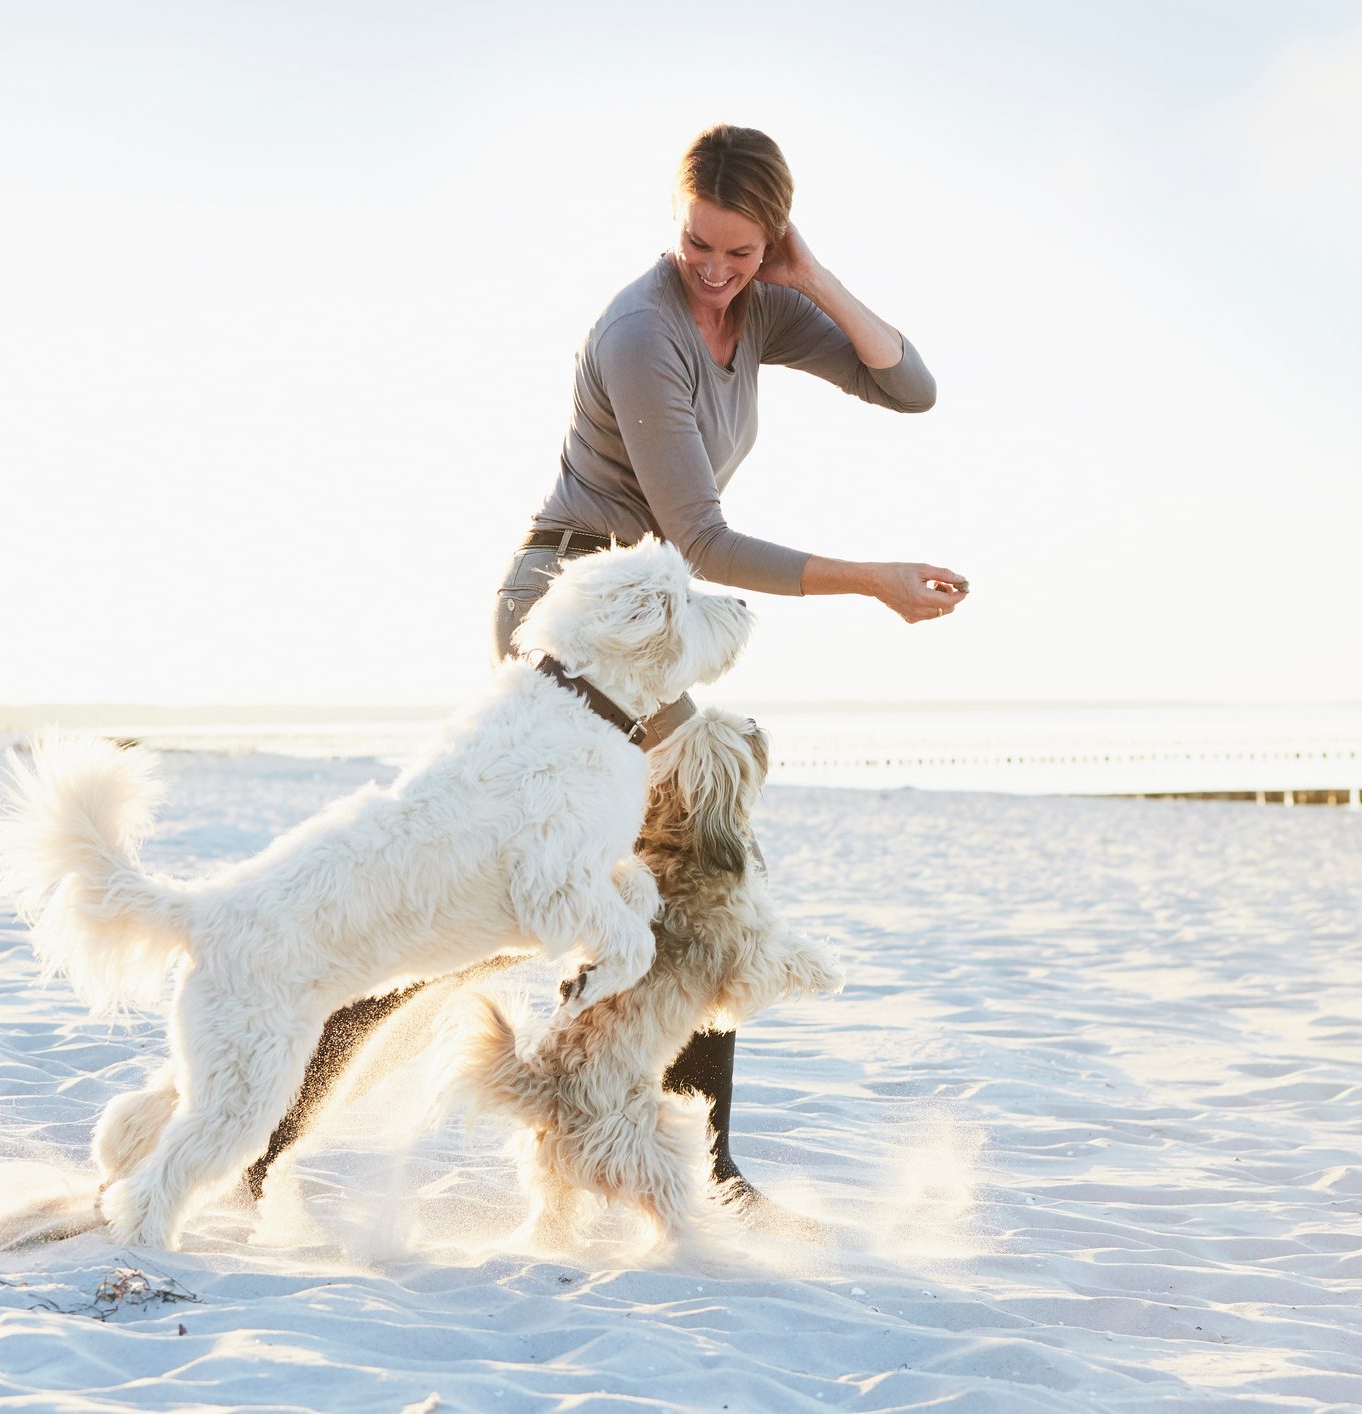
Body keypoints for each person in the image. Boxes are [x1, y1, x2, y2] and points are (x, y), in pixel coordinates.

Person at [242, 123, 966, 1209]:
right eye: (698, 245)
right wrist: (873, 580)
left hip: (644, 633)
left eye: (742, 251)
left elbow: (910, 387)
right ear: (675, 225)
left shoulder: (763, 306)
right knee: (525, 898)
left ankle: (653, 1144)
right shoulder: (642, 332)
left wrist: (810, 275)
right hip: (574, 618)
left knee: (676, 870)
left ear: (772, 240)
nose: (716, 272)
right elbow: (706, 540)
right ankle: (276, 1138)